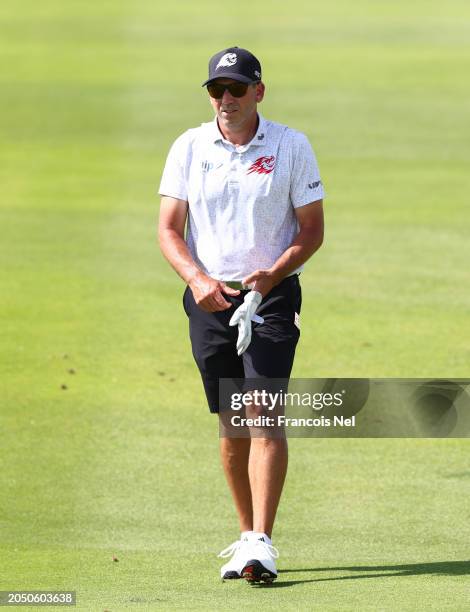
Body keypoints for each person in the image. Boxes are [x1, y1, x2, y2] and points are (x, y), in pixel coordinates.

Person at [158, 46, 324, 584]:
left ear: (258, 91)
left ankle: (261, 542)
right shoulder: (189, 146)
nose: (225, 99)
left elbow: (311, 230)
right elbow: (168, 229)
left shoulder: (290, 146)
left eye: (235, 89)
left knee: (262, 416)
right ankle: (246, 533)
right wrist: (198, 280)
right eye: (215, 90)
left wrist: (271, 276)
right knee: (232, 426)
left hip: (270, 297)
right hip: (209, 298)